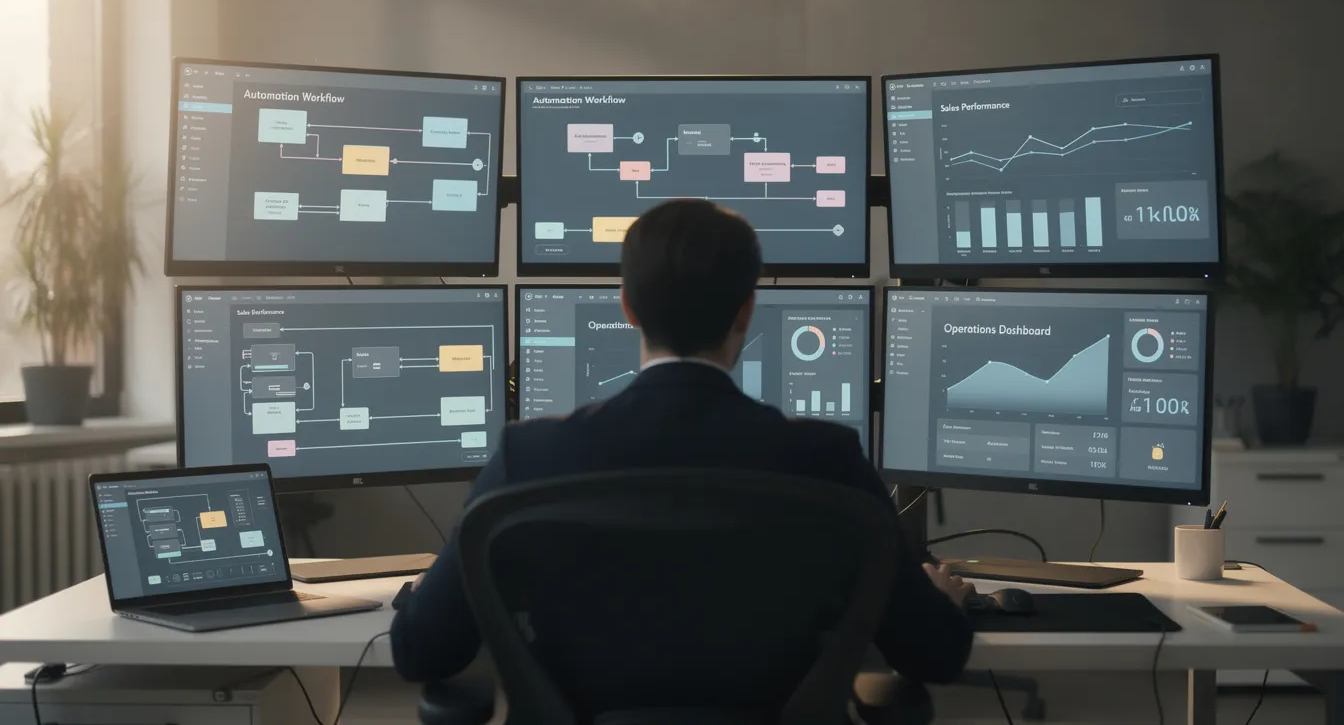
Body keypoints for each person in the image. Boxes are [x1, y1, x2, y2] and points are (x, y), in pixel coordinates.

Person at [391, 199, 973, 686]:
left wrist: (418, 598)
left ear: (627, 308)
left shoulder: (529, 458)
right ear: (746, 312)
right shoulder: (829, 458)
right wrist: (943, 601)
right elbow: (934, 656)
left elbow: (423, 651)